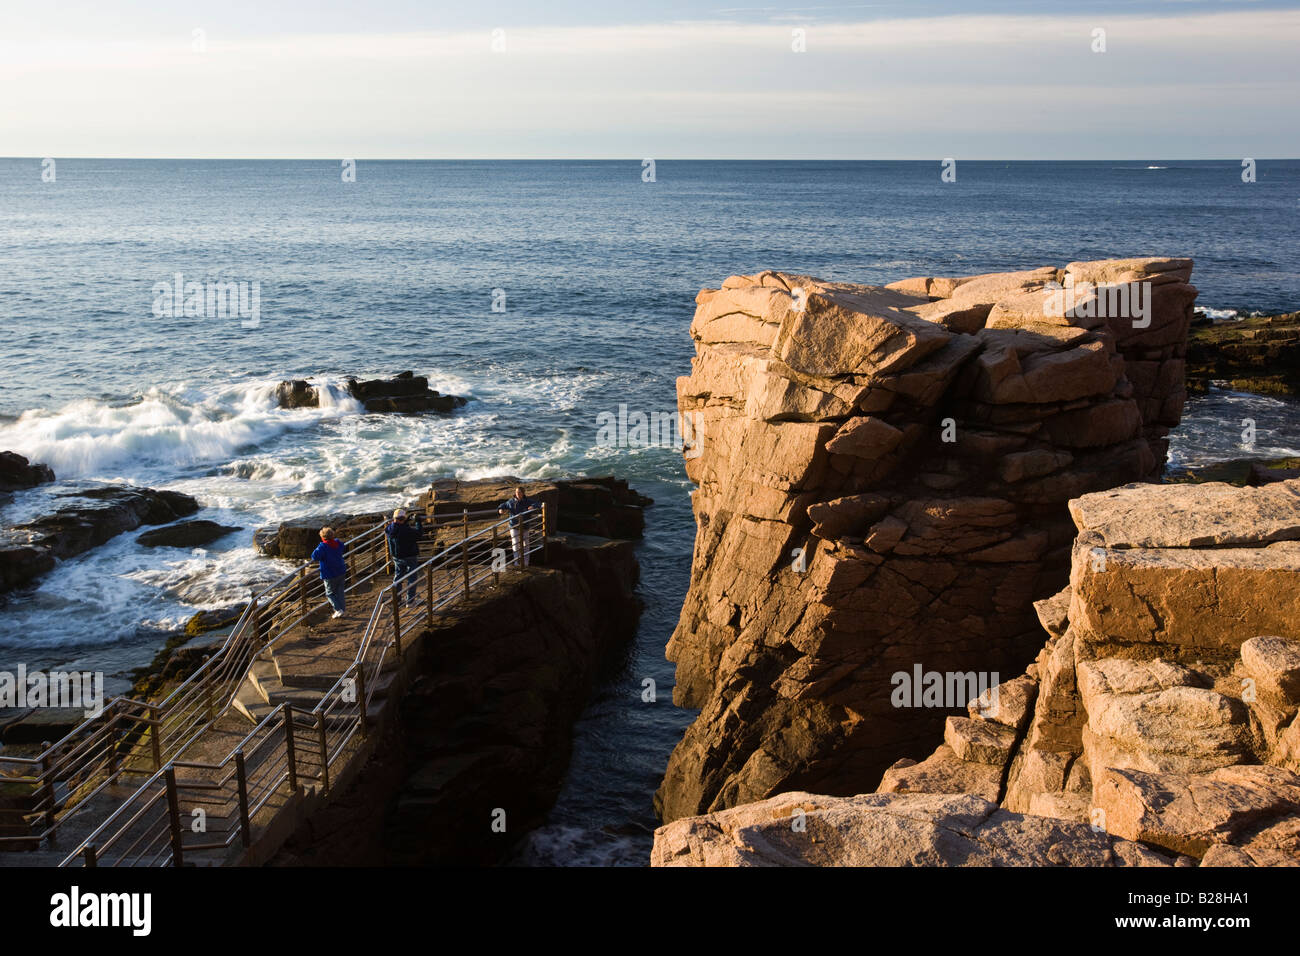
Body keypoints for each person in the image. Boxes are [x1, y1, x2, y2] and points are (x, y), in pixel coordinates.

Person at [386, 507, 422, 607]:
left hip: (397, 557)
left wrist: (405, 521)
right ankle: (410, 601)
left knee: (398, 577)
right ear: (403, 519)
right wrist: (418, 522)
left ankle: (397, 599)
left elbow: (398, 527)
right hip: (409, 556)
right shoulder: (406, 530)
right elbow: (419, 534)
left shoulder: (389, 528)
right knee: (412, 578)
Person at [498, 486, 540, 567]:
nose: (518, 494)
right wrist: (500, 509)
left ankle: (526, 562)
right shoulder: (511, 501)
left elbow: (538, 503)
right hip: (514, 526)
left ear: (523, 493)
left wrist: (533, 506)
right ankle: (516, 562)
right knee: (515, 544)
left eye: (519, 492)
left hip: (525, 526)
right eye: (516, 492)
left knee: (526, 544)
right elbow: (503, 505)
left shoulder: (527, 501)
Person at [311, 527, 348, 618]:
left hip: (330, 573)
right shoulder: (338, 543)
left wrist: (320, 544)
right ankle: (342, 609)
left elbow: (314, 556)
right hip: (340, 570)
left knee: (330, 593)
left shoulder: (323, 547)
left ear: (323, 538)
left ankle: (338, 609)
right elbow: (342, 546)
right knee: (340, 591)